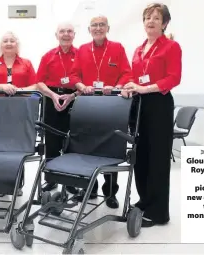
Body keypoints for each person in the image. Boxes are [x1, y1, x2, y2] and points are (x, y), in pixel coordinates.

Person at [123, 3, 182, 227]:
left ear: (164, 23)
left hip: (158, 103)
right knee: (141, 155)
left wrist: (145, 89)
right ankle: (144, 199)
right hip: (139, 104)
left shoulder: (171, 47)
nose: (151, 21)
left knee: (157, 157)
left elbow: (173, 78)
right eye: (148, 17)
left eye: (156, 18)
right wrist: (130, 86)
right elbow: (135, 76)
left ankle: (158, 212)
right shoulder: (139, 49)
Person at [70, 15, 133, 209]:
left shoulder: (117, 48)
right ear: (89, 29)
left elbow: (126, 73)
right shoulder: (82, 50)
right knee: (86, 147)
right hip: (88, 105)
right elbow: (74, 75)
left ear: (108, 28)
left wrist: (116, 86)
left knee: (111, 147)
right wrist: (82, 85)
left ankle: (110, 191)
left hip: (111, 106)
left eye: (101, 25)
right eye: (94, 25)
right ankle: (88, 188)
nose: (98, 28)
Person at [0, 31, 37, 196]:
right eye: (5, 41)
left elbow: (35, 86)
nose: (8, 43)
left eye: (12, 41)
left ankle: (18, 183)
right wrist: (2, 86)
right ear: (1, 45)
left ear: (17, 44)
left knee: (18, 148)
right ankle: (1, 183)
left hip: (20, 112)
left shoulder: (26, 63)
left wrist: (18, 91)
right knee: (0, 148)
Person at [35, 22, 80, 193]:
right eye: (62, 31)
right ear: (56, 35)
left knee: (72, 142)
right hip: (51, 98)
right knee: (52, 142)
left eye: (69, 31)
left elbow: (85, 80)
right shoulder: (48, 56)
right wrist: (53, 95)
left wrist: (73, 95)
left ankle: (70, 180)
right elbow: (39, 82)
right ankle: (52, 179)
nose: (66, 34)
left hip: (74, 97)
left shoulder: (81, 55)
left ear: (74, 34)